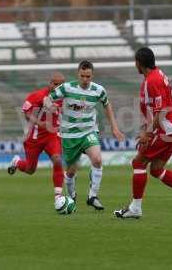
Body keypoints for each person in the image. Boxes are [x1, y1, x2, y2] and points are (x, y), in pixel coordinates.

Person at [114, 47, 172, 219]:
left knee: (138, 163)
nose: (135, 65)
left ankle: (135, 208)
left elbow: (161, 110)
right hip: (170, 128)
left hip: (166, 129)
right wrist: (146, 127)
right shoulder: (155, 76)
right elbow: (155, 108)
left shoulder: (153, 81)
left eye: (136, 62)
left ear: (139, 63)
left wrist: (148, 132)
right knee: (156, 169)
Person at [45, 60, 124, 211]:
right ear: (78, 74)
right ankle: (72, 195)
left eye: (88, 76)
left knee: (97, 159)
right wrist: (50, 105)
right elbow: (47, 99)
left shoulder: (98, 90)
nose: (85, 80)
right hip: (69, 135)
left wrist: (114, 127)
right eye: (83, 76)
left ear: (92, 75)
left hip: (89, 131)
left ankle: (92, 196)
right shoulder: (67, 88)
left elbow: (107, 104)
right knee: (71, 171)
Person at [7, 73, 65, 207]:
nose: (57, 87)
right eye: (55, 84)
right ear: (50, 83)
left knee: (57, 159)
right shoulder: (38, 95)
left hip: (52, 135)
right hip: (34, 137)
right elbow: (26, 113)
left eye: (60, 85)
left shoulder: (64, 96)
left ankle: (58, 197)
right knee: (30, 169)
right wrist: (40, 123)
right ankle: (17, 162)